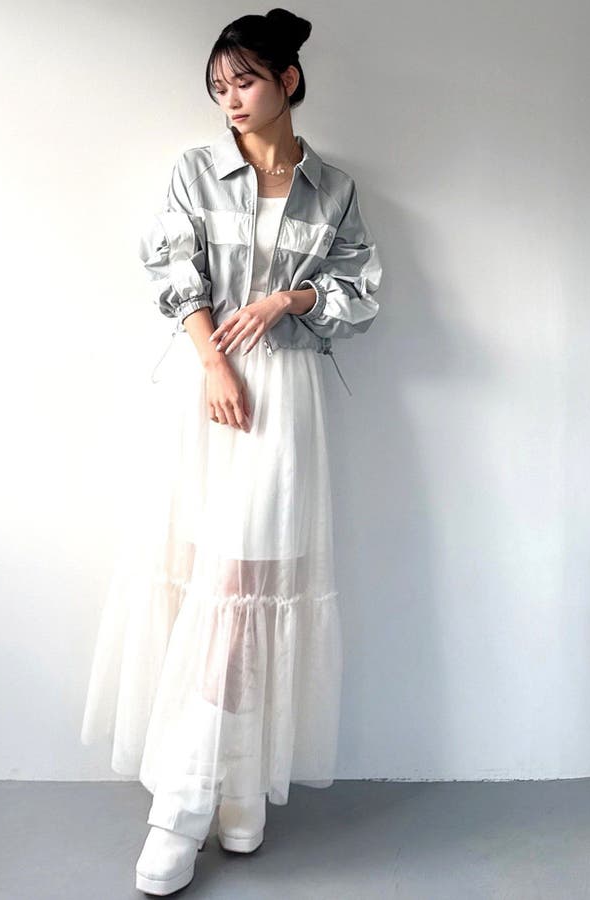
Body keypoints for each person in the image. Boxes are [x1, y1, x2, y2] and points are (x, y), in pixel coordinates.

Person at [80, 7, 383, 895]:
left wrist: (291, 300)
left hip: (285, 400)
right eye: (218, 88)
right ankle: (213, 792)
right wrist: (214, 362)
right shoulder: (194, 170)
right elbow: (172, 272)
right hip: (208, 393)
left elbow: (360, 294)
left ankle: (204, 797)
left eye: (244, 81)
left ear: (288, 79)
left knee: (248, 589)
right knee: (203, 589)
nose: (231, 101)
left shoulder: (334, 189)